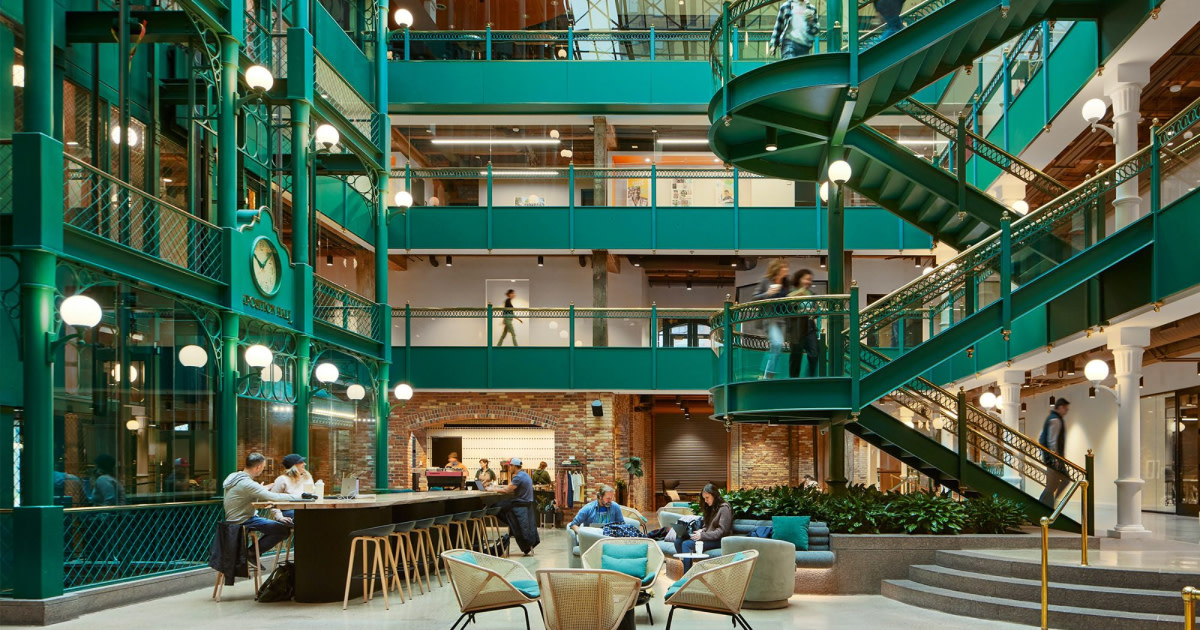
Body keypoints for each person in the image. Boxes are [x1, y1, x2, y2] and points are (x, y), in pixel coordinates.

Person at [223, 452, 303, 565]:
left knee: (279, 527)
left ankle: (252, 554)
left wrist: (261, 489)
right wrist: (302, 496)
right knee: (283, 530)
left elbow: (245, 493)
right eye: (263, 468)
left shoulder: (234, 477)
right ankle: (251, 553)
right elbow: (274, 497)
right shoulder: (247, 483)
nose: (263, 470)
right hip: (243, 520)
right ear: (258, 467)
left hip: (232, 520)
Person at [674, 483, 733, 572]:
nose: (705, 500)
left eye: (707, 498)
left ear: (714, 495)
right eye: (704, 498)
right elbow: (708, 526)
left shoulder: (724, 508)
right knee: (678, 541)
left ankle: (686, 576)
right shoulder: (711, 507)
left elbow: (722, 531)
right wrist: (702, 530)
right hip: (709, 537)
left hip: (719, 540)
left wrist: (702, 535)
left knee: (686, 544)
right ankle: (688, 569)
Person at [491, 457, 540, 555]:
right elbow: (510, 487)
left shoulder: (518, 477)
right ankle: (512, 522)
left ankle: (512, 523)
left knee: (494, 507)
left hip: (518, 505)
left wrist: (491, 489)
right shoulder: (525, 475)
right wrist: (497, 487)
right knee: (501, 506)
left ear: (514, 466)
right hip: (525, 505)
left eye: (510, 466)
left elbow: (506, 490)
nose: (509, 468)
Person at [754, 258, 791, 379]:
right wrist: (768, 293)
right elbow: (754, 298)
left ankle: (767, 374)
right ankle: (768, 375)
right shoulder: (766, 281)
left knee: (776, 347)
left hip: (782, 320)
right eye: (783, 267)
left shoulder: (786, 284)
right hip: (770, 319)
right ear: (777, 269)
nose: (786, 269)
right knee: (777, 344)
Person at [787, 269, 820, 378]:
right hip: (796, 328)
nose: (808, 282)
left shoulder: (812, 294)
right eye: (806, 279)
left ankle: (810, 378)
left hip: (810, 326)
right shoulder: (792, 293)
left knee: (814, 354)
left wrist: (814, 312)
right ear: (799, 279)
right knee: (796, 356)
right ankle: (793, 380)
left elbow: (817, 311)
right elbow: (787, 309)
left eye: (810, 279)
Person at [1038, 399, 1071, 507]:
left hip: (1052, 457)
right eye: (1065, 409)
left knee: (1053, 484)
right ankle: (1044, 505)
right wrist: (1055, 458)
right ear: (1060, 407)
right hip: (1053, 458)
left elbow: (1043, 438)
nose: (1066, 412)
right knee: (1056, 483)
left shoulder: (1052, 418)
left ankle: (1049, 505)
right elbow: (1052, 441)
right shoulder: (1055, 420)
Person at [270, 454, 314, 519]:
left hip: (308, 509)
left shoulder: (307, 478)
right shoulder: (282, 479)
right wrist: (280, 517)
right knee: (307, 517)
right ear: (294, 466)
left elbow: (313, 494)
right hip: (288, 511)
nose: (304, 464)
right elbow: (272, 500)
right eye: (301, 462)